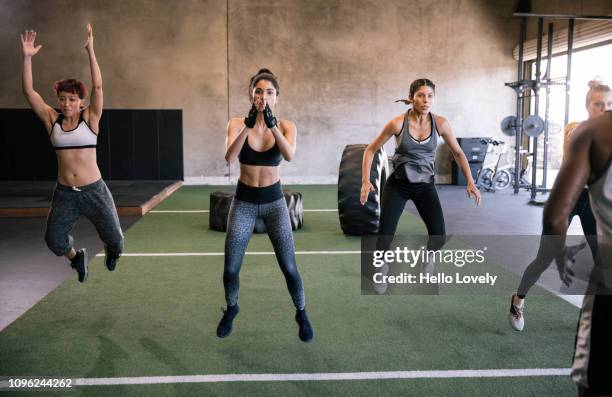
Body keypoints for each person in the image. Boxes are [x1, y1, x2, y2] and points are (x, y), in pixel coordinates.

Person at [20, 25, 123, 283]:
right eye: (63, 98)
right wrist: (27, 57)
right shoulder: (51, 120)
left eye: (72, 99)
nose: (66, 103)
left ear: (81, 102)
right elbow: (29, 92)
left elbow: (98, 87)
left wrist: (90, 50)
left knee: (117, 241)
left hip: (95, 191)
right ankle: (77, 258)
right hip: (65, 193)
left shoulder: (90, 118)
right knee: (54, 241)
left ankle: (112, 250)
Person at [218, 69, 313, 342]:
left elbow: (290, 156)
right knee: (231, 268)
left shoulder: (286, 126)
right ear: (251, 94)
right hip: (244, 203)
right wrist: (248, 126)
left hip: (274, 204)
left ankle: (302, 312)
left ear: (277, 97)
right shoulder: (237, 123)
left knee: (289, 266)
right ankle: (232, 307)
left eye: (269, 92)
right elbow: (229, 156)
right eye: (258, 91)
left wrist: (271, 125)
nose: (263, 96)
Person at [509, 80, 612, 331]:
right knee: (545, 258)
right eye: (599, 104)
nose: (604, 109)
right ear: (588, 106)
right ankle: (518, 299)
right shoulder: (577, 130)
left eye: (609, 104)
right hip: (568, 199)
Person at [360, 78, 481, 275]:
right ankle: (381, 267)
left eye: (430, 96)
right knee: (385, 235)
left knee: (438, 235)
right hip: (398, 185)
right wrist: (365, 181)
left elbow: (458, 152)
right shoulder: (397, 123)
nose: (426, 100)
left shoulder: (440, 124)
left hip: (425, 186)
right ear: (411, 98)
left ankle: (427, 256)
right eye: (421, 96)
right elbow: (370, 150)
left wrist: (470, 181)